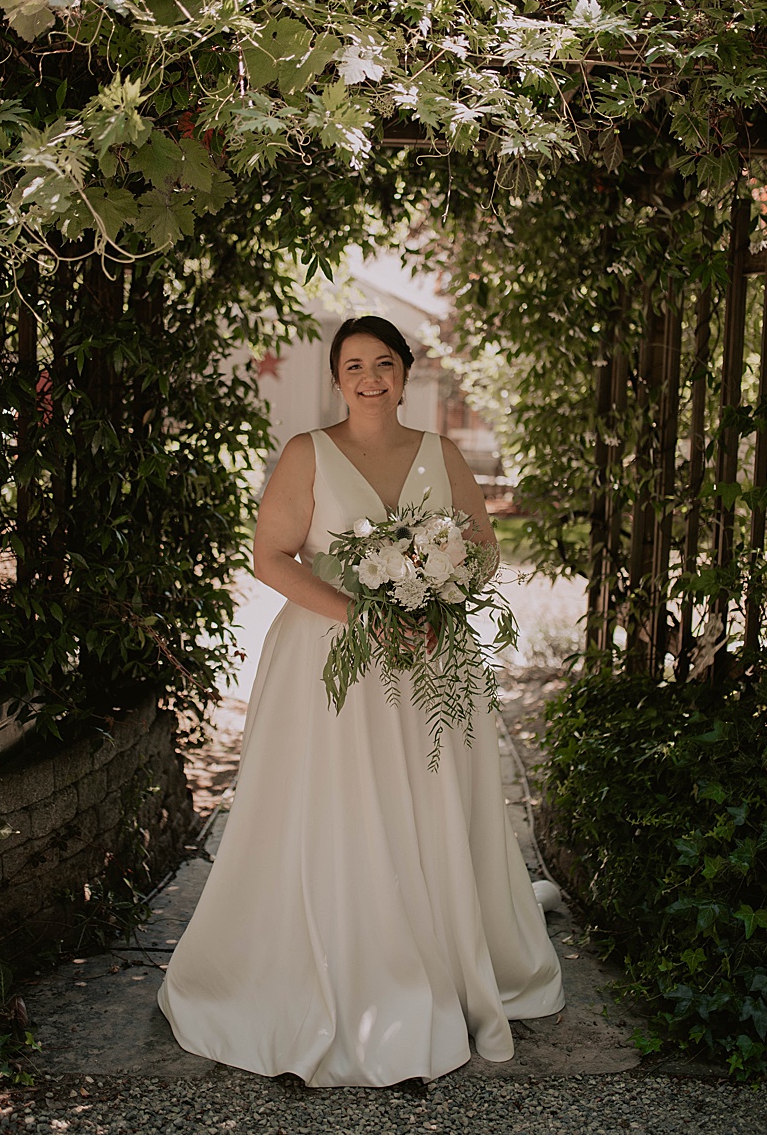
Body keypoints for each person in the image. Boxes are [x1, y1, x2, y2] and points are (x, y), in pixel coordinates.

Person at [157, 315, 564, 1086]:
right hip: (330, 659)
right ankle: (343, 961)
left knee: (429, 800)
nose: (370, 378)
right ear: (336, 379)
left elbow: (482, 548)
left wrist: (442, 593)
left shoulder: (442, 453)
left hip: (430, 657)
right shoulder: (306, 453)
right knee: (338, 804)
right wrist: (365, 615)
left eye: (383, 363)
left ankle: (439, 948)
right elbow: (271, 557)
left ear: (405, 374)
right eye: (354, 366)